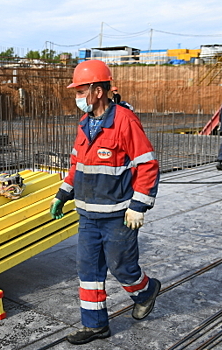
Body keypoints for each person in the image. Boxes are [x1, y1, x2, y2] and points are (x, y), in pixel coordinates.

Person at [49, 59, 161, 345]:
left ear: (98, 91)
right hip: (88, 215)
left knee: (122, 267)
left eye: (80, 91)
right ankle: (95, 325)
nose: (77, 97)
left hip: (117, 216)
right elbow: (78, 165)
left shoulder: (124, 121)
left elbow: (147, 165)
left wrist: (138, 206)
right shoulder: (85, 124)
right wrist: (63, 193)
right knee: (88, 272)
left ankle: (146, 291)